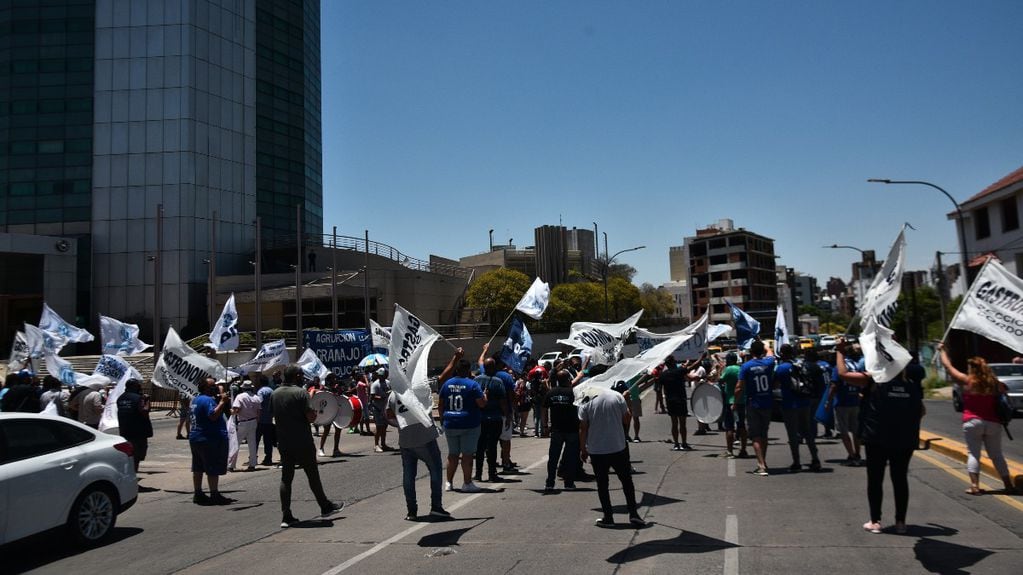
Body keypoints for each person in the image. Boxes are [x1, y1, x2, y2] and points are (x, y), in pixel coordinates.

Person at [837, 338, 924, 535]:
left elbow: (843, 374)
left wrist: (840, 351)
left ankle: (875, 521)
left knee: (875, 479)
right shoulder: (909, 383)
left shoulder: (874, 379)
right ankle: (901, 523)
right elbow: (921, 411)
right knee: (900, 479)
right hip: (904, 439)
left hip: (877, 437)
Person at [272, 365, 344, 528]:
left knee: (286, 478)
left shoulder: (275, 393)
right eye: (301, 375)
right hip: (302, 440)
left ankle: (286, 515)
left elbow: (273, 414)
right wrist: (316, 413)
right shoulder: (301, 393)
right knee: (312, 475)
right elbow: (311, 417)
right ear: (296, 376)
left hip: (284, 441)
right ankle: (325, 506)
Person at [939, 343, 1015, 495]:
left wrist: (942, 350)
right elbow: (1005, 390)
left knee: (974, 454)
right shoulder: (993, 383)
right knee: (997, 455)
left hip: (972, 422)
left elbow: (948, 366)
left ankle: (974, 486)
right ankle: (1008, 485)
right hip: (992, 422)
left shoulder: (967, 381)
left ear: (971, 369)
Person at [579, 386, 645, 528]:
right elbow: (627, 420)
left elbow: (583, 427)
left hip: (597, 449)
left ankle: (608, 517)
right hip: (617, 446)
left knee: (602, 485)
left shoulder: (585, 400)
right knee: (626, 481)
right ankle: (633, 514)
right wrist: (626, 402)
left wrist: (583, 448)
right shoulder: (617, 396)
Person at [387, 387, 450, 520]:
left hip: (405, 440)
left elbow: (388, 415)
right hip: (425, 438)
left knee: (408, 475)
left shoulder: (394, 393)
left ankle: (411, 511)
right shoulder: (421, 390)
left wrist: (401, 425)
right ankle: (436, 506)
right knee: (435, 470)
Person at [437, 349, 486, 493]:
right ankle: (467, 482)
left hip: (450, 422)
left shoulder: (447, 384)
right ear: (468, 370)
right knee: (467, 455)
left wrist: (442, 419)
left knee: (452, 455)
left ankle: (448, 482)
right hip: (469, 423)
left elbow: (440, 404)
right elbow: (481, 404)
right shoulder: (473, 385)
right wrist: (485, 396)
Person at [775, 345, 821, 472]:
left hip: (789, 403)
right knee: (807, 432)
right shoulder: (801, 365)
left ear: (782, 353)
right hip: (804, 402)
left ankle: (797, 462)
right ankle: (815, 459)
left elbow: (776, 383)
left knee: (793, 434)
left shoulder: (782, 368)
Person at [734, 340, 776, 476]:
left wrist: (735, 402)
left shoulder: (746, 367)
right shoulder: (768, 364)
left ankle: (761, 464)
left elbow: (739, 387)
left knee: (755, 435)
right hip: (767, 402)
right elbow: (771, 354)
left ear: (751, 352)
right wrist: (767, 346)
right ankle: (764, 460)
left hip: (753, 403)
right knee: (764, 434)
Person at [189, 379, 233, 505]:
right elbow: (213, 415)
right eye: (213, 385)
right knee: (212, 466)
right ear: (206, 388)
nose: (215, 387)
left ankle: (198, 492)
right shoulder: (208, 400)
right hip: (208, 438)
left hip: (196, 437)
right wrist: (222, 402)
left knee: (197, 467)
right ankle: (214, 494)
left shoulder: (195, 400)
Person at [543, 369, 580, 492]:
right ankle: (568, 483)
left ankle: (550, 482)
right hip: (571, 430)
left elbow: (544, 409)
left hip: (557, 430)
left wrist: (545, 426)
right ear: (568, 379)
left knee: (553, 457)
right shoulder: (573, 393)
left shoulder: (551, 393)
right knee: (570, 458)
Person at [475, 358, 509, 483]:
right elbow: (503, 402)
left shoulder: (476, 380)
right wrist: (507, 416)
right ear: (493, 367)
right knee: (492, 447)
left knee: (480, 447)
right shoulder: (498, 381)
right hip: (495, 418)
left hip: (480, 419)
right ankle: (491, 474)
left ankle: (478, 473)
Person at [831, 345, 863, 466]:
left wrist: (828, 400)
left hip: (842, 402)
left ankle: (851, 455)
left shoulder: (839, 367)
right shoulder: (856, 366)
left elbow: (834, 385)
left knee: (844, 431)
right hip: (855, 401)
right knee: (855, 430)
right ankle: (858, 453)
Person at [116, 379, 153, 473]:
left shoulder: (120, 398)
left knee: (129, 456)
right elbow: (144, 411)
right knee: (136, 457)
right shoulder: (138, 398)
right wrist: (147, 400)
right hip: (138, 432)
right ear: (134, 387)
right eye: (138, 385)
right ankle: (133, 480)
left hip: (125, 431)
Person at [659, 355, 691, 451]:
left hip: (670, 401)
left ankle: (676, 444)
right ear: (673, 362)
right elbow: (691, 368)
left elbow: (659, 389)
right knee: (682, 423)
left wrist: (661, 404)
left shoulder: (663, 374)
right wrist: (701, 358)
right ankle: (684, 443)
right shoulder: (679, 371)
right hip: (680, 400)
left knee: (674, 423)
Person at [719, 353, 748, 458]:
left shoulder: (728, 369)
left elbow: (721, 380)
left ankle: (730, 451)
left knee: (729, 427)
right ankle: (743, 450)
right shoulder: (741, 369)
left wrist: (720, 370)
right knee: (741, 426)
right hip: (742, 401)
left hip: (731, 402)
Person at [231, 380, 262, 471]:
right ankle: (252, 464)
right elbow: (259, 412)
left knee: (236, 443)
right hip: (253, 421)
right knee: (252, 443)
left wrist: (232, 412)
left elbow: (236, 409)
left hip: (243, 422)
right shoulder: (256, 398)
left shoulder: (240, 397)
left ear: (243, 388)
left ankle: (231, 464)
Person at [254, 374, 277, 466]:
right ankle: (268, 458)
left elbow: (259, 402)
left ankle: (253, 458)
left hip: (260, 420)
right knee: (268, 441)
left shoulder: (261, 391)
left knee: (255, 440)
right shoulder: (272, 391)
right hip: (269, 419)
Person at [370, 368, 393, 452]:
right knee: (379, 427)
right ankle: (376, 445)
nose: (380, 377)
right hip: (377, 408)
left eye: (382, 375)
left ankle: (383, 444)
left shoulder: (388, 383)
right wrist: (381, 397)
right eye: (379, 375)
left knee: (384, 426)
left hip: (385, 408)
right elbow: (372, 397)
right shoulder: (375, 384)